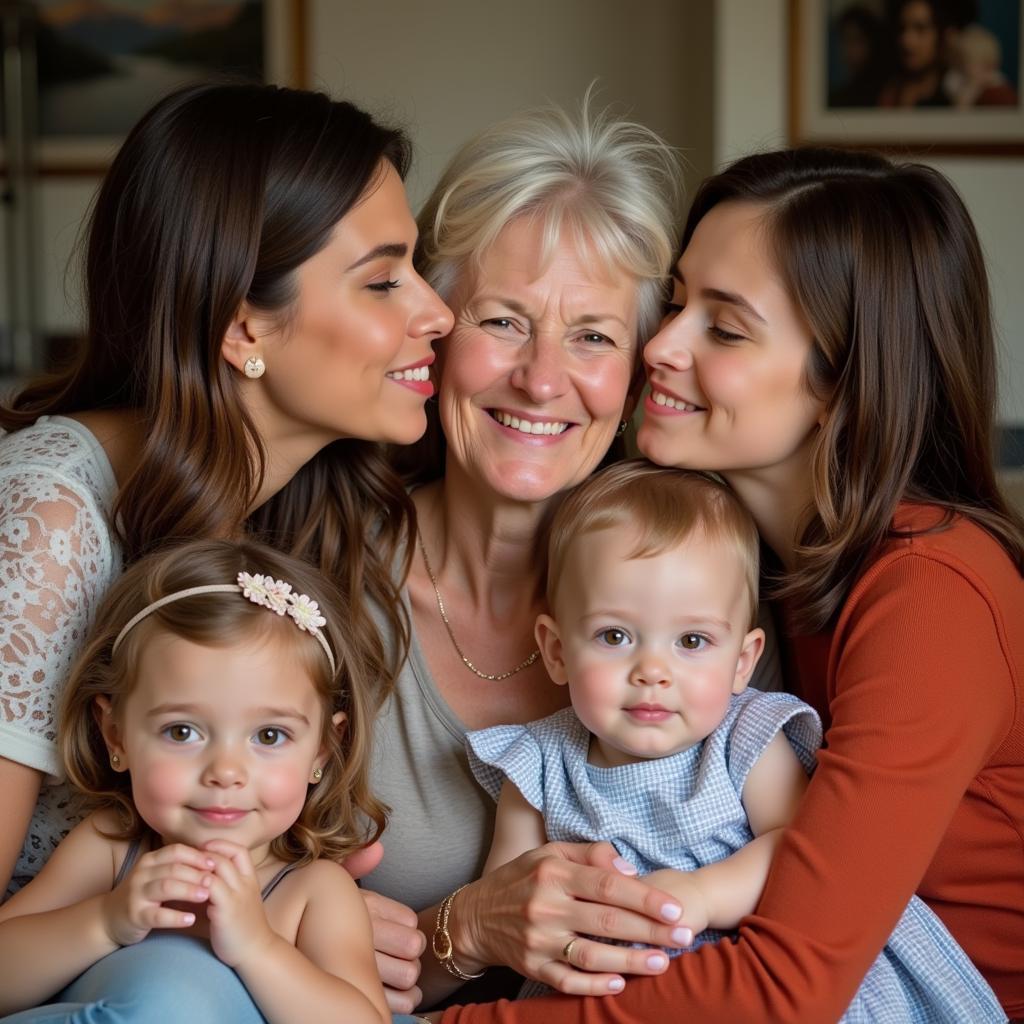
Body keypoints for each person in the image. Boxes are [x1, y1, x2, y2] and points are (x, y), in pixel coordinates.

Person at [433, 147, 1024, 1022]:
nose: (659, 346)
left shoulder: (930, 593)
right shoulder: (723, 557)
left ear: (840, 383)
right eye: (674, 303)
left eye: (725, 327)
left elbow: (785, 990)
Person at [356, 97, 790, 1016]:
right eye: (504, 321)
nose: (543, 378)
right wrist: (468, 928)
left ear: (636, 371)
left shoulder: (713, 579)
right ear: (435, 330)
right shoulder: (328, 586)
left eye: (592, 335)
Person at [0, 80, 453, 902]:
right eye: (384, 283)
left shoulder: (321, 502)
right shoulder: (51, 514)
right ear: (243, 329)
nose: (438, 314)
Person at [463, 460, 1002, 1020]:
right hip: (608, 981)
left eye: (691, 640)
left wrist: (701, 896)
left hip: (750, 963)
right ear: (555, 650)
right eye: (615, 635)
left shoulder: (745, 738)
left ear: (743, 662)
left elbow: (797, 850)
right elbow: (512, 896)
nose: (652, 670)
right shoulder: (537, 764)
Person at [0, 539, 389, 1023]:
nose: (225, 772)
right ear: (115, 734)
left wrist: (259, 948)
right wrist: (104, 920)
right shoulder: (112, 850)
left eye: (270, 735)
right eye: (181, 731)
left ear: (323, 751)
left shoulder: (313, 891)